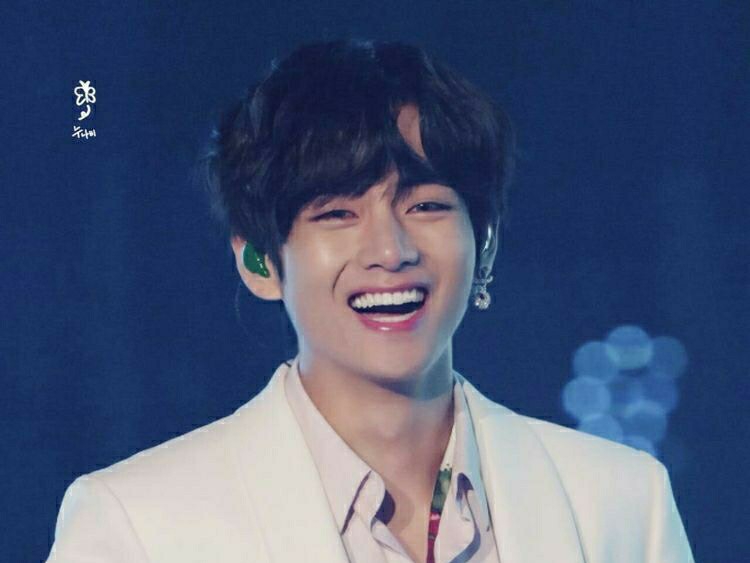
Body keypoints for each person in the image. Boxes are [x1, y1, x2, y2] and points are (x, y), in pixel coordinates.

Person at [46, 39, 695, 563]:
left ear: (486, 243)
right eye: (337, 213)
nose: (390, 249)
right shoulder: (137, 523)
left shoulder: (620, 501)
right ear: (259, 261)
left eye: (427, 205)